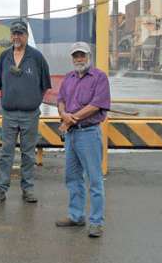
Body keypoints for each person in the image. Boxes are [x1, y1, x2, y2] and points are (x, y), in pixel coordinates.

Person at [0, 20, 52, 205]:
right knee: (6, 153)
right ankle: (0, 189)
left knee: (28, 154)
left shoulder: (37, 57)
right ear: (11, 35)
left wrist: (32, 101)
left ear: (26, 35)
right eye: (14, 33)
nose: (17, 37)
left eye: (20, 33)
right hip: (8, 114)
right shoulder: (4, 57)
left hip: (30, 114)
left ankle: (28, 188)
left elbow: (45, 86)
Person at [55, 41, 110, 238]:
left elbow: (96, 105)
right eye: (76, 56)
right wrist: (64, 114)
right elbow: (60, 100)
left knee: (94, 180)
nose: (79, 59)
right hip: (71, 134)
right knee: (72, 177)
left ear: (89, 57)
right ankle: (76, 216)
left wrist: (71, 118)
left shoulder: (99, 77)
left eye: (82, 55)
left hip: (88, 133)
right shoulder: (68, 78)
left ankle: (96, 222)